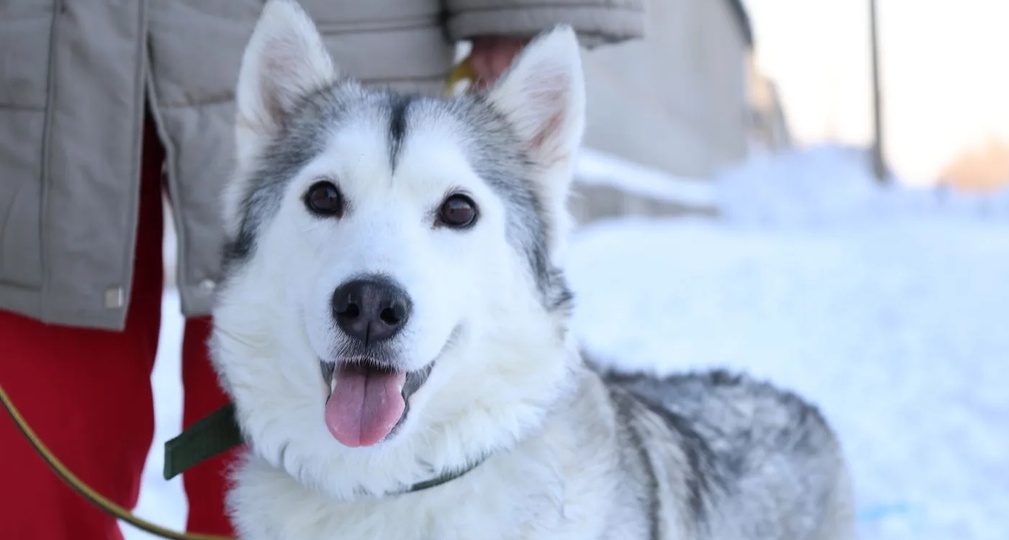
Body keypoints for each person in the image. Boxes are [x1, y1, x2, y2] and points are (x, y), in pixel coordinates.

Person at [0, 1, 643, 539]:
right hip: (44, 76)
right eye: (327, 198)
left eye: (454, 211)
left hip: (354, 19)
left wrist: (524, 7)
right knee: (39, 471)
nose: (373, 297)